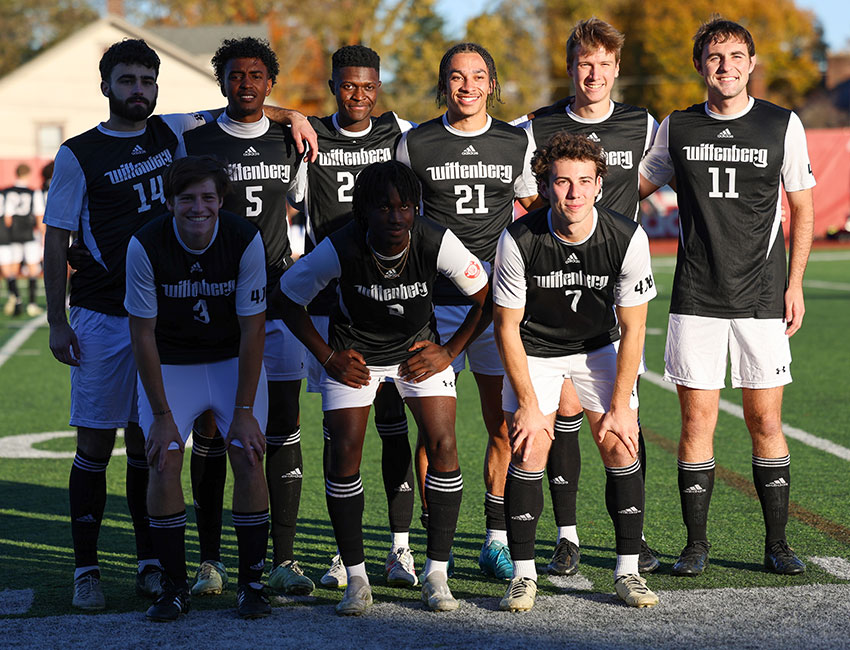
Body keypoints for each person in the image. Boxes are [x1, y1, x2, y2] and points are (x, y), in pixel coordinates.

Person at [43, 38, 315, 611]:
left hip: (163, 322)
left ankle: (150, 563)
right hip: (100, 312)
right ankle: (86, 568)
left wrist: (292, 113)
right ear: (106, 86)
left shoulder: (172, 132)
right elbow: (57, 237)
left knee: (150, 445)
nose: (137, 90)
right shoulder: (78, 152)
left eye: (147, 80)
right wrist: (55, 321)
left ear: (157, 87)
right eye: (127, 81)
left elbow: (244, 108)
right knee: (94, 443)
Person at [639, 16, 814, 577]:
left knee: (765, 421)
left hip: (763, 295)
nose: (727, 67)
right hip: (697, 297)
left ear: (752, 63)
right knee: (697, 425)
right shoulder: (678, 127)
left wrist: (796, 283)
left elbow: (803, 206)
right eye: (715, 57)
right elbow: (632, 187)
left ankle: (777, 544)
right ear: (699, 65)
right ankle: (696, 546)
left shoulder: (782, 125)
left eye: (737, 56)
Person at [280, 161, 489, 615]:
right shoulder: (341, 246)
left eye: (405, 207)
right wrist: (328, 357)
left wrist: (449, 351)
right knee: (345, 451)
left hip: (419, 353)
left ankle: (436, 575)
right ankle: (356, 579)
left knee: (444, 443)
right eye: (384, 208)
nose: (396, 217)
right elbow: (286, 297)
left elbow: (488, 297)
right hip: (354, 356)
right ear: (364, 212)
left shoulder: (435, 239)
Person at [512, 18, 660, 576]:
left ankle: (633, 536)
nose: (593, 74)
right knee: (564, 412)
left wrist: (611, 234)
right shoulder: (541, 124)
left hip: (613, 283)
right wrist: (561, 242)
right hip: (556, 283)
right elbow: (529, 196)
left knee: (622, 416)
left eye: (603, 64)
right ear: (570, 67)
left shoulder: (643, 124)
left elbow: (649, 181)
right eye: (583, 64)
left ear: (617, 68)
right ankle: (566, 535)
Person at [493, 132, 658, 611]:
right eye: (562, 182)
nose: (574, 193)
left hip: (597, 346)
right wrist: (527, 403)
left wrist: (622, 404)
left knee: (620, 440)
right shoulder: (519, 237)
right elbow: (506, 327)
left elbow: (634, 327)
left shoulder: (628, 237)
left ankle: (628, 570)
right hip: (535, 349)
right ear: (544, 187)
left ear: (600, 185)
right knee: (529, 447)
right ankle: (523, 577)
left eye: (584, 182)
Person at [396, 42, 538, 580]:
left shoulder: (514, 141)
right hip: (433, 303)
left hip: (497, 301)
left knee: (502, 424)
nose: (468, 86)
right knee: (435, 431)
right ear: (443, 84)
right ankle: (438, 539)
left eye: (478, 76)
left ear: (493, 84)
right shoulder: (417, 143)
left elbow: (533, 208)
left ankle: (495, 538)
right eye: (457, 77)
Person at [182, 36, 312, 598]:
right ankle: (210, 560)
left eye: (257, 76)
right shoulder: (195, 135)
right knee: (211, 425)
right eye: (236, 75)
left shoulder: (291, 141)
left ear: (269, 82)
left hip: (278, 296)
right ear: (222, 80)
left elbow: (303, 208)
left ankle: (284, 559)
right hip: (215, 295)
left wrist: (293, 116)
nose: (246, 84)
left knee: (280, 424)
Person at [125, 155, 270, 621]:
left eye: (208, 197)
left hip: (231, 360)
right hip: (173, 362)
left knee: (248, 453)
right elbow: (142, 333)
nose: (198, 207)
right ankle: (173, 586)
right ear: (169, 202)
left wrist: (244, 408)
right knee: (164, 457)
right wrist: (162, 413)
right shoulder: (145, 244)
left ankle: (251, 583)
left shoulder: (243, 237)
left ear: (221, 200)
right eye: (187, 198)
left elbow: (253, 330)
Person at [300, 44, 419, 589]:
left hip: (392, 301)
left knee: (395, 426)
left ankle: (400, 549)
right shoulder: (307, 136)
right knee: (340, 434)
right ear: (332, 84)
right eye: (348, 85)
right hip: (334, 303)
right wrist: (289, 115)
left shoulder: (403, 134)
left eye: (369, 86)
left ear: (380, 86)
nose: (359, 95)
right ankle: (342, 553)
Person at [1, 164, 44, 317]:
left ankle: (16, 297)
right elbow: (39, 216)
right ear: (28, 174)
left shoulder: (6, 192)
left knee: (12, 269)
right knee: (33, 269)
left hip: (12, 235)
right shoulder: (34, 192)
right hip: (28, 234)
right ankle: (31, 304)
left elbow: (7, 218)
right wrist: (42, 234)